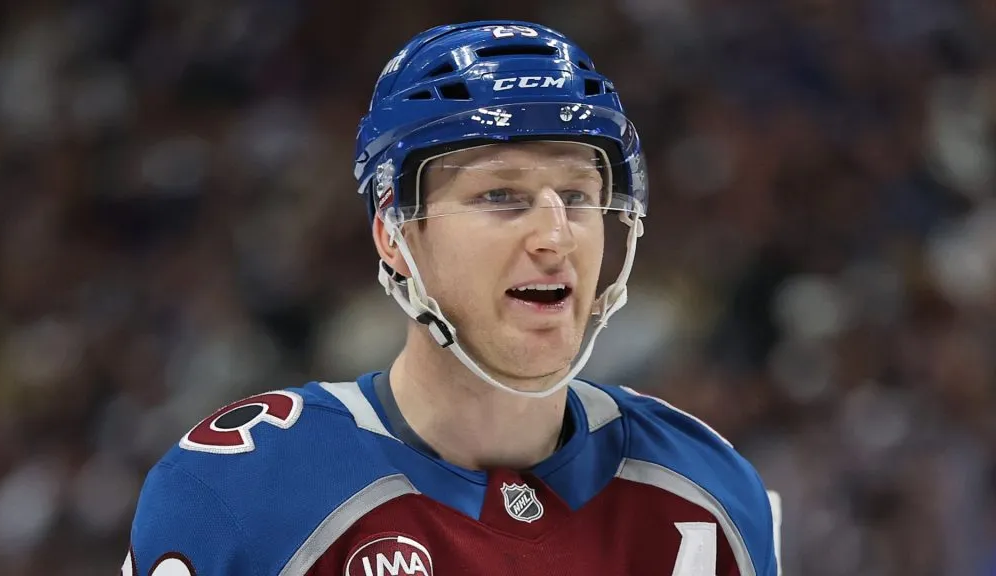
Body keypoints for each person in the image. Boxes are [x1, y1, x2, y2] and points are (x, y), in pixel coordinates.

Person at [124, 20, 781, 576]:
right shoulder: (236, 491)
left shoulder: (708, 489)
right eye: (501, 195)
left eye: (578, 196)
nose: (555, 236)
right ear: (393, 234)